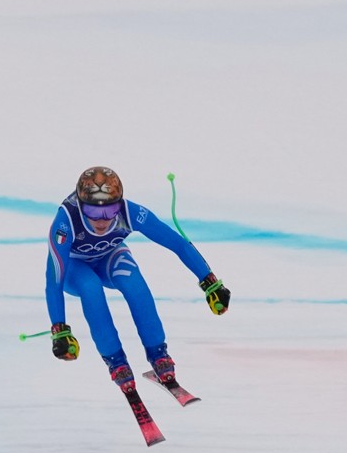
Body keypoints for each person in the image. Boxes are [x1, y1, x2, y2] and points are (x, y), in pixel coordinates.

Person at [44, 166, 231, 396]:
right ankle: (115, 359)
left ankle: (158, 353)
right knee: (90, 288)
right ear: (81, 207)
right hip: (76, 267)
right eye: (93, 212)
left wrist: (209, 282)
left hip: (108, 258)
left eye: (110, 210)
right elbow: (54, 278)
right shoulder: (66, 221)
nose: (102, 220)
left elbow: (177, 243)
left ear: (120, 204)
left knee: (135, 284)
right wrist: (59, 330)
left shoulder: (130, 212)